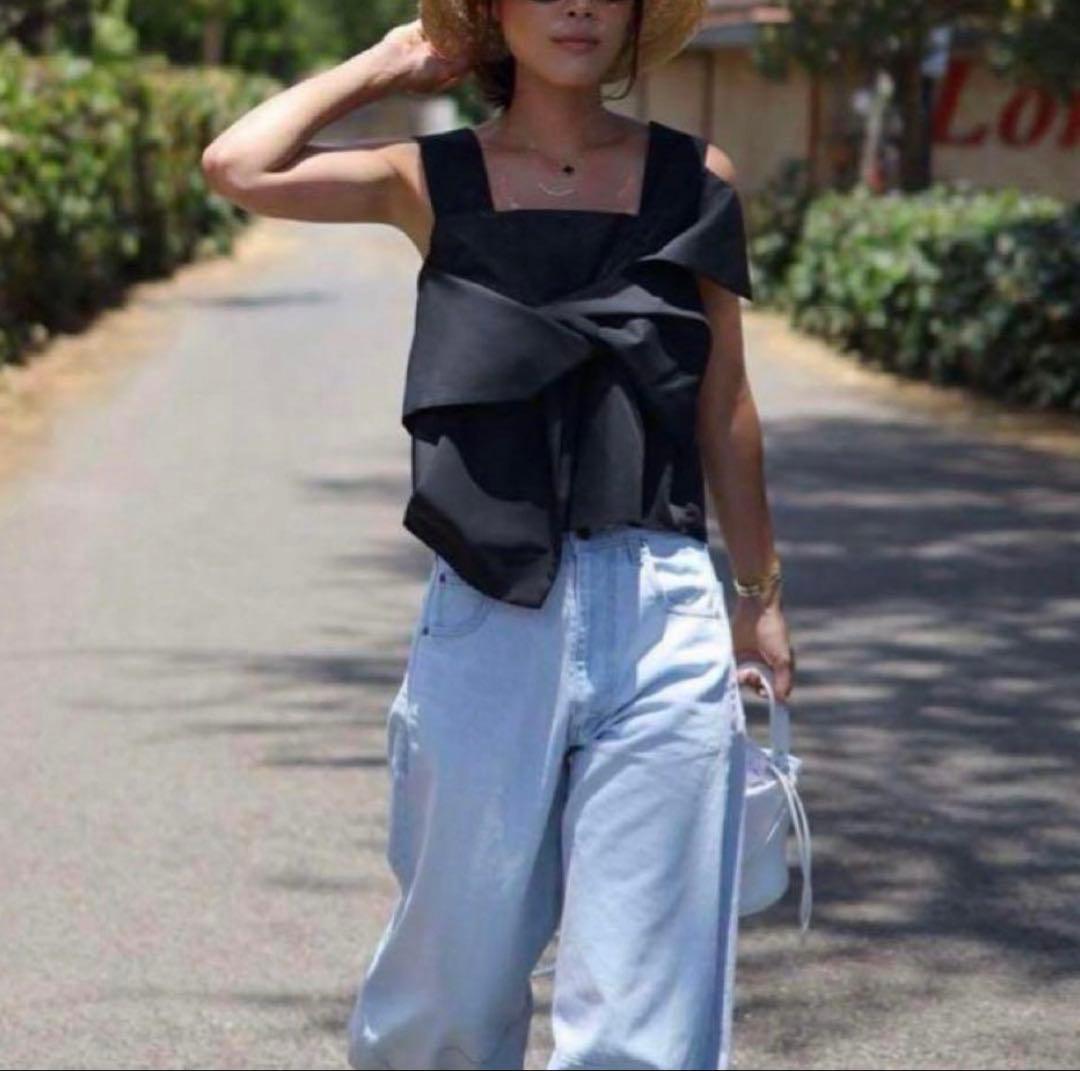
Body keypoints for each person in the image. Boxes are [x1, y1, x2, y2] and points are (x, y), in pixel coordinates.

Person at [202, 2, 795, 1068]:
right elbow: (238, 165)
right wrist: (389, 61)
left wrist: (758, 595)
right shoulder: (429, 178)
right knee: (448, 994)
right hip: (488, 606)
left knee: (644, 1019)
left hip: (662, 605)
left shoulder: (695, 177)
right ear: (491, 15)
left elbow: (726, 403)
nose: (578, 5)